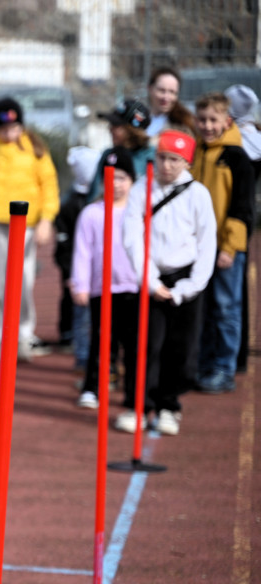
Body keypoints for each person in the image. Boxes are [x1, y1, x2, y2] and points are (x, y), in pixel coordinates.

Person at [119, 129, 216, 436]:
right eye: (162, 158)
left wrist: (188, 287)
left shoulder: (198, 194)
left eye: (175, 159)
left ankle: (168, 406)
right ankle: (137, 405)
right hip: (151, 276)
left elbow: (207, 243)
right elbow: (132, 237)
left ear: (187, 162)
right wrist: (149, 281)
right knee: (144, 345)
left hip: (185, 278)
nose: (167, 165)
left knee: (181, 348)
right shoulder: (142, 188)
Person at [0, 98, 60, 364]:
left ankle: (22, 337)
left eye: (15, 127)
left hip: (25, 226)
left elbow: (49, 185)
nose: (10, 133)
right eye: (4, 128)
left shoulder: (35, 148)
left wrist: (46, 220)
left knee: (22, 283)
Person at [190, 92, 255, 394]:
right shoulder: (195, 154)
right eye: (202, 120)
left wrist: (229, 248)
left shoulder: (237, 158)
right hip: (198, 248)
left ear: (227, 121)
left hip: (224, 248)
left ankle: (224, 368)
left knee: (226, 308)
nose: (207, 126)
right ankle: (203, 363)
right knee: (202, 309)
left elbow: (242, 208)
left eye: (213, 120)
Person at [70, 148, 140, 410]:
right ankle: (92, 387)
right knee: (101, 340)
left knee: (133, 345)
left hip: (134, 287)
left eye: (122, 178)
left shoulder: (140, 212)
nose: (116, 184)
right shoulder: (91, 213)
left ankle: (133, 394)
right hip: (103, 289)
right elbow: (83, 252)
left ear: (132, 180)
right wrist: (81, 284)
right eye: (110, 177)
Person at [224, 84, 261, 373]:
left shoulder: (237, 144)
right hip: (244, 218)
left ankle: (230, 357)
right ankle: (235, 356)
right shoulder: (254, 140)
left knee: (228, 292)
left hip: (232, 219)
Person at [54, 146, 100, 367]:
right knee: (76, 306)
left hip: (97, 264)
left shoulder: (98, 199)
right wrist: (68, 270)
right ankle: (72, 339)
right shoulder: (71, 203)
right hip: (75, 263)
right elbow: (64, 241)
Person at [86, 99, 154, 201]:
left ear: (132, 130)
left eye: (116, 125)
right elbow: (94, 197)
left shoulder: (154, 157)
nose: (110, 129)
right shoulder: (108, 155)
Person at [144, 67, 197, 137]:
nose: (166, 97)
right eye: (162, 90)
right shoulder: (137, 120)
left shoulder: (182, 126)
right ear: (150, 88)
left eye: (172, 92)